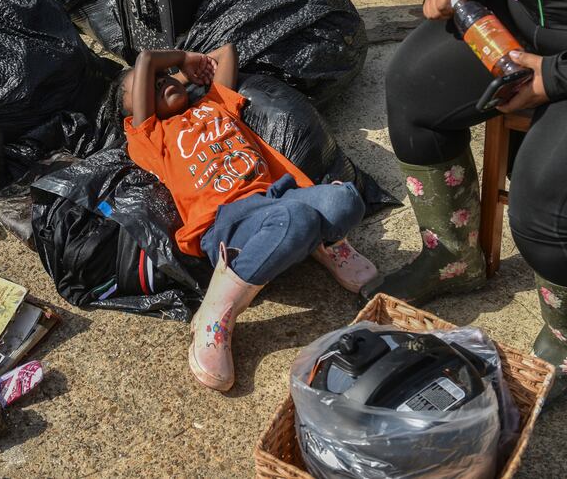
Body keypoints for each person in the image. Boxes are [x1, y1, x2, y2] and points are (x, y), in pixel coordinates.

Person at [366, 0, 567, 399]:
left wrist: (560, 79)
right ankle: (454, 258)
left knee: (547, 197)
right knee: (413, 87)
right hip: (519, 24)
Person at [118, 43, 378, 391]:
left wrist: (189, 68)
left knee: (345, 199)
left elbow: (226, 52)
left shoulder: (214, 104)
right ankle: (215, 311)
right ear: (132, 110)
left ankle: (325, 244)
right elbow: (145, 61)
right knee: (296, 219)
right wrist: (178, 60)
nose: (160, 81)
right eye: (148, 85)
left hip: (277, 197)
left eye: (165, 77)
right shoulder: (150, 137)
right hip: (226, 221)